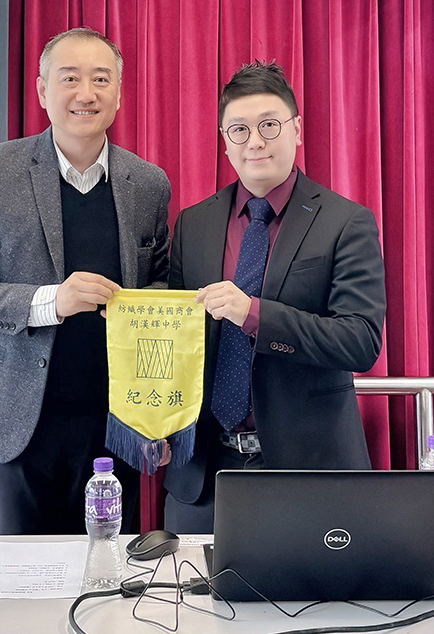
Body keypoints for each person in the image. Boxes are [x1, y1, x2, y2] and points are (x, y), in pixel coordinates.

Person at [0, 28, 171, 535]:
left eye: (101, 79)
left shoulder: (148, 184)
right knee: (18, 577)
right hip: (13, 422)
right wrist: (52, 301)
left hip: (114, 429)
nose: (86, 93)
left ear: (119, 94)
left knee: (106, 572)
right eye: (70, 78)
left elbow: (161, 296)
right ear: (43, 91)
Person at [163, 61, 386, 533]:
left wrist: (255, 315)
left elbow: (360, 341)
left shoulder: (346, 222)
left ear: (296, 130)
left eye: (269, 125)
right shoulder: (193, 224)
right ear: (225, 141)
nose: (255, 142)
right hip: (204, 477)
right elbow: (179, 343)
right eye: (239, 130)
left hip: (310, 473)